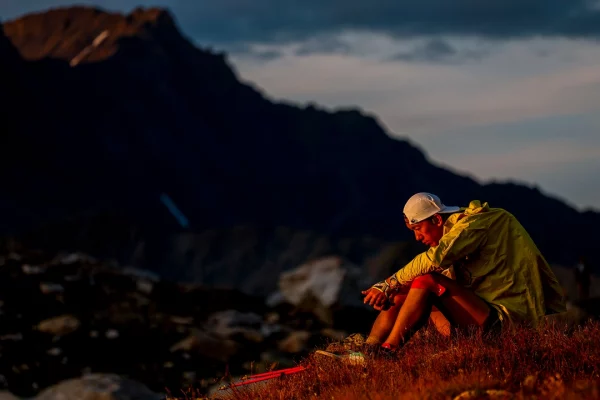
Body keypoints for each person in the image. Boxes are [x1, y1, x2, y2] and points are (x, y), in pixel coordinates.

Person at [357, 192, 567, 353]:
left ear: (437, 220)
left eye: (418, 229)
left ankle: (389, 351)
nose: (417, 238)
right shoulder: (454, 237)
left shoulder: (474, 225)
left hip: (504, 321)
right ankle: (369, 350)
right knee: (403, 291)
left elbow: (434, 259)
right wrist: (392, 289)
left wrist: (386, 284)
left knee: (426, 280)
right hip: (476, 315)